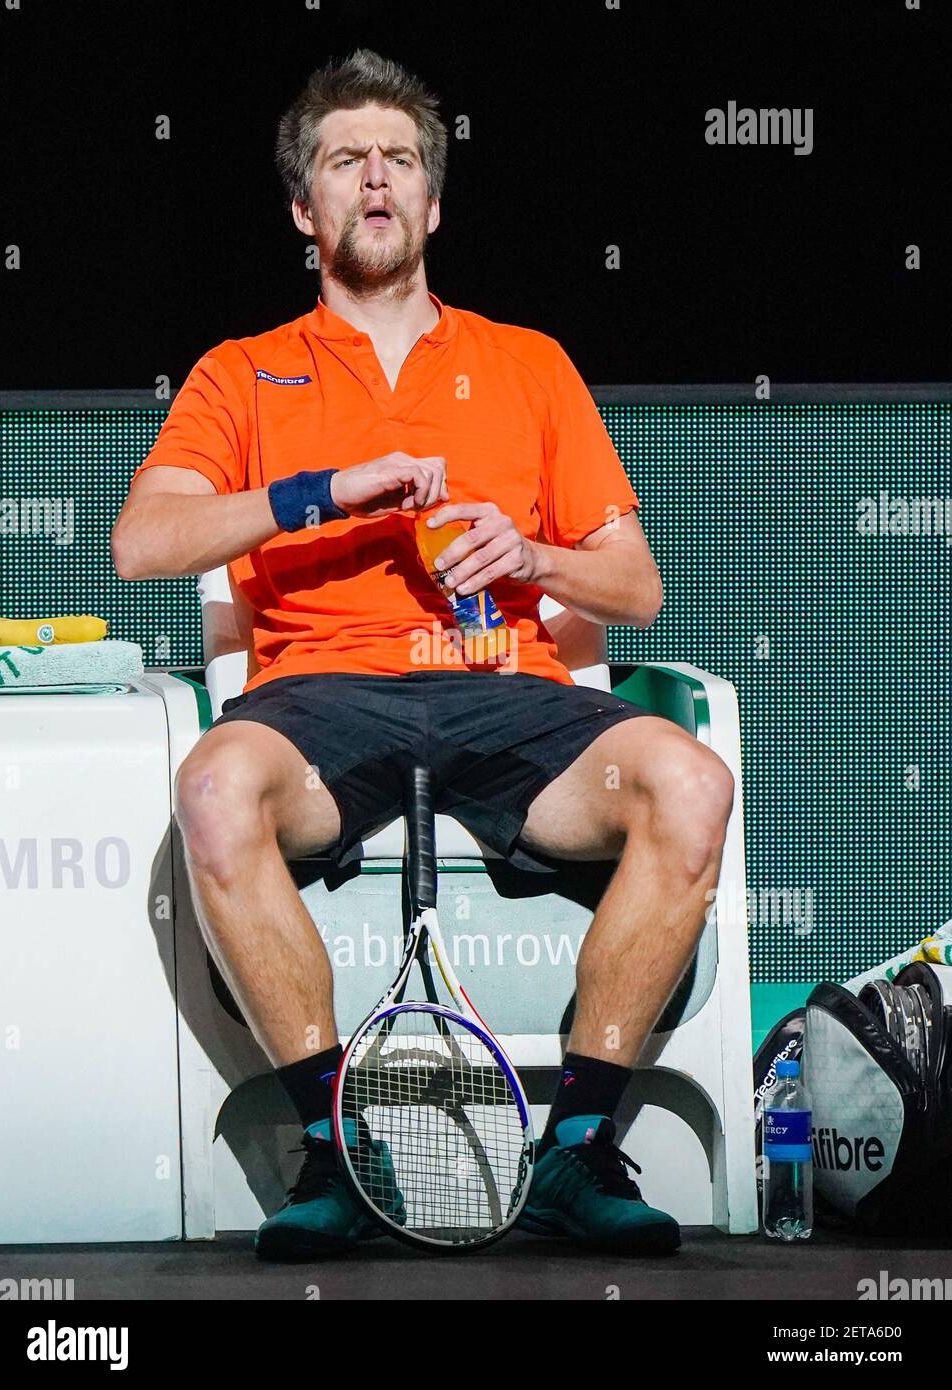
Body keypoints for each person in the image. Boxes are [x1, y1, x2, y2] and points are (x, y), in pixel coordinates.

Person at [112, 48, 734, 1259]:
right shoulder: (242, 373)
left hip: (511, 695)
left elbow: (640, 589)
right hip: (318, 700)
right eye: (346, 160)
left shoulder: (528, 363)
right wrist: (321, 491)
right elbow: (145, 540)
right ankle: (339, 1160)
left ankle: (576, 1151)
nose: (377, 179)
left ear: (435, 201)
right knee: (211, 787)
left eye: (401, 159)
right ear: (307, 208)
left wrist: (537, 555)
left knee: (692, 780)